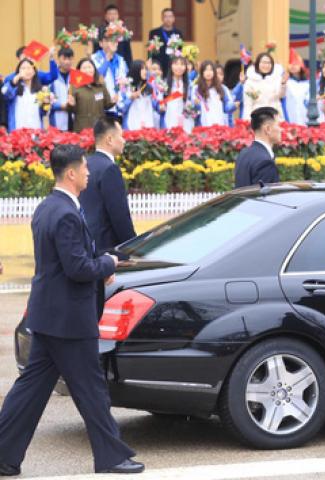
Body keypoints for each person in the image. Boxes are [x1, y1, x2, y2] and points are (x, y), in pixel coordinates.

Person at [0, 144, 144, 476]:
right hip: (69, 320)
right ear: (71, 173)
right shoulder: (65, 213)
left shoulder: (47, 207)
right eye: (85, 168)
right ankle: (110, 457)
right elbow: (77, 267)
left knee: (30, 390)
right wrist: (106, 262)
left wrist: (96, 266)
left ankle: (5, 455)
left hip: (49, 316)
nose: (89, 173)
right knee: (91, 390)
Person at [79, 116, 135, 253]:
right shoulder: (110, 169)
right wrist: (134, 248)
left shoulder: (85, 163)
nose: (124, 141)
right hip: (107, 250)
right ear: (109, 139)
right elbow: (120, 217)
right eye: (121, 136)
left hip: (85, 245)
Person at [234, 106, 281, 188]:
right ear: (268, 129)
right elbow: (266, 199)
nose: (281, 129)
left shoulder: (244, 153)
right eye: (278, 125)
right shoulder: (265, 162)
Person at [66, 58, 115, 132]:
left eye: (90, 67)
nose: (87, 70)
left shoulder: (100, 85)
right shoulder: (74, 86)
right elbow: (71, 110)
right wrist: (71, 105)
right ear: (79, 70)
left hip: (99, 128)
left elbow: (107, 105)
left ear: (94, 69)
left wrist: (113, 102)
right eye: (84, 68)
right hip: (81, 128)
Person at [2, 58, 48, 131]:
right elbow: (5, 93)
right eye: (23, 68)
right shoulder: (14, 87)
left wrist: (46, 103)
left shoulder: (40, 90)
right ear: (18, 71)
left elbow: (44, 112)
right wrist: (15, 79)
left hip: (36, 129)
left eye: (29, 68)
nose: (26, 70)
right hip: (18, 130)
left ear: (34, 72)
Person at [91, 29, 128, 114]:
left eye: (114, 40)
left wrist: (120, 92)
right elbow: (97, 78)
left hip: (118, 105)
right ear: (100, 43)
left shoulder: (121, 60)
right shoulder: (94, 58)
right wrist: (107, 57)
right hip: (101, 105)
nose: (112, 42)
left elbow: (124, 82)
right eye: (108, 40)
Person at [241, 52, 286, 120]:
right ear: (257, 64)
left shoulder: (277, 79)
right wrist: (247, 121)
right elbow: (248, 104)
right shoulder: (250, 82)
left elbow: (281, 95)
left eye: (269, 63)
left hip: (274, 116)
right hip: (257, 117)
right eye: (263, 62)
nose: (266, 65)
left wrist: (283, 84)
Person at [193, 60, 235, 127]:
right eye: (206, 70)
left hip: (219, 125)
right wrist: (196, 105)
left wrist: (233, 105)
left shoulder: (221, 88)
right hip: (203, 127)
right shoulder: (196, 89)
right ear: (202, 72)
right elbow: (193, 111)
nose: (208, 72)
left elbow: (226, 108)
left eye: (210, 70)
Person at [92, 4, 133, 69]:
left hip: (120, 62)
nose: (113, 16)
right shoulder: (100, 30)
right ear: (105, 16)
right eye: (110, 14)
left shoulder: (123, 31)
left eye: (115, 14)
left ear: (118, 16)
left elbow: (128, 51)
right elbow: (96, 48)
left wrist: (129, 66)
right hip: (104, 61)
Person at [148, 8, 184, 76]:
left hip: (173, 66)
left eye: (170, 16)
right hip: (158, 65)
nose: (168, 19)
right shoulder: (154, 33)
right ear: (162, 18)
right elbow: (150, 51)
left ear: (174, 18)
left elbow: (180, 50)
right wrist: (150, 63)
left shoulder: (178, 33)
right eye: (165, 16)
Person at [158, 56, 191, 130]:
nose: (179, 67)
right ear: (171, 66)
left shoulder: (189, 84)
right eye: (176, 64)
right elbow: (160, 101)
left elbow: (190, 100)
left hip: (184, 118)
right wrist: (162, 104)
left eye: (182, 64)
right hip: (169, 116)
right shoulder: (164, 83)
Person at [121, 60, 155, 130]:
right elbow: (121, 109)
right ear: (135, 70)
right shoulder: (125, 86)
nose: (145, 71)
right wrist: (130, 98)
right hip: (131, 127)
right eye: (142, 69)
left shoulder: (148, 86)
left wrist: (160, 106)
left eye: (146, 69)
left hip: (147, 126)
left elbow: (154, 103)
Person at [50, 47, 74, 131]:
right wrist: (61, 106)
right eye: (64, 58)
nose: (67, 62)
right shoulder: (52, 77)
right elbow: (47, 100)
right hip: (57, 119)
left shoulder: (75, 76)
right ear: (58, 59)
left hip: (73, 118)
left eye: (70, 59)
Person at [284, 60, 309, 125]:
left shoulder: (307, 84)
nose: (293, 66)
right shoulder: (286, 81)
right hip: (289, 111)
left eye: (296, 64)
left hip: (304, 113)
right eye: (291, 64)